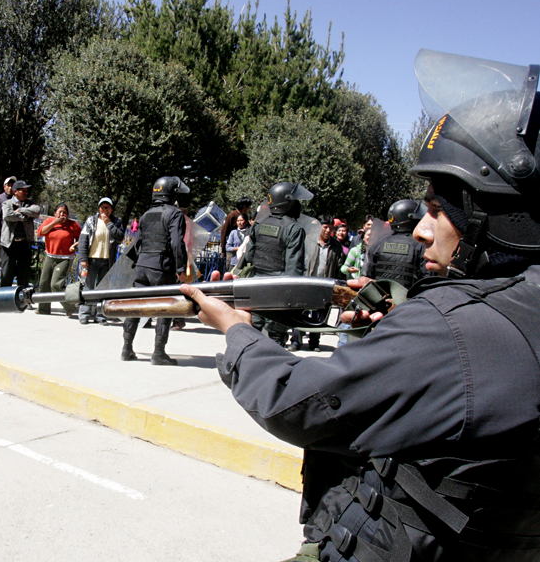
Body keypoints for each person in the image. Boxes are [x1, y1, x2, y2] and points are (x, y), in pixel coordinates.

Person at [181, 49, 540, 561]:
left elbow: (298, 403)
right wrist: (404, 326)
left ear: (493, 216)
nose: (422, 231)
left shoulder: (446, 328)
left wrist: (236, 332)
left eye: (438, 210)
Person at [121, 177, 189, 365]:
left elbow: (138, 243)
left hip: (142, 266)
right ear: (171, 194)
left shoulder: (146, 214)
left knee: (135, 307)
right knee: (165, 308)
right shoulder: (175, 214)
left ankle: (126, 349)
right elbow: (177, 242)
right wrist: (181, 268)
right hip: (161, 267)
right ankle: (158, 353)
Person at [243, 182, 310, 346]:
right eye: (295, 201)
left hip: (256, 286)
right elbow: (293, 269)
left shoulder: (258, 224)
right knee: (275, 337)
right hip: (277, 291)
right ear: (287, 203)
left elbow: (249, 256)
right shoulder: (293, 229)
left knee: (251, 334)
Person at [288, 214, 346, 352]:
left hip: (325, 285)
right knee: (301, 313)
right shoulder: (308, 241)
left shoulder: (336, 246)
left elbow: (339, 267)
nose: (328, 230)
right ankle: (296, 341)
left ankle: (315, 342)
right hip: (306, 284)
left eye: (330, 228)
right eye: (325, 227)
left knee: (320, 316)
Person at [77, 197, 125, 325]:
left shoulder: (116, 222)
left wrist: (108, 223)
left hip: (107, 261)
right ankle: (84, 314)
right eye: (103, 207)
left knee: (103, 289)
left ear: (112, 209)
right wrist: (83, 258)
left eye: (108, 207)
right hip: (91, 260)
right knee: (88, 287)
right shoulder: (91, 221)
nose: (105, 210)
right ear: (99, 209)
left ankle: (100, 315)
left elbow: (120, 237)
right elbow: (83, 240)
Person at [362, 199, 428, 289]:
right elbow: (427, 279)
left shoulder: (378, 243)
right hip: (407, 297)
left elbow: (367, 275)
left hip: (379, 295)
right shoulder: (421, 245)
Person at [35, 203, 82, 316]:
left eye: (64, 212)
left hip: (65, 258)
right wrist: (54, 223)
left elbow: (82, 238)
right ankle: (43, 309)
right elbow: (41, 232)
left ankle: (70, 307)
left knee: (56, 285)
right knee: (44, 283)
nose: (62, 214)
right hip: (50, 256)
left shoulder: (73, 225)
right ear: (55, 213)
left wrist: (74, 245)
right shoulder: (49, 221)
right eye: (59, 212)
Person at [0, 180, 40, 288]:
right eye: (23, 190)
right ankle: (4, 296)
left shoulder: (30, 203)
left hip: (24, 243)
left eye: (27, 190)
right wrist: (25, 216)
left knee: (23, 273)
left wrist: (21, 209)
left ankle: (22, 296)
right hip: (9, 244)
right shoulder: (7, 203)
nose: (26, 193)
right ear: (15, 191)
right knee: (6, 272)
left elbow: (36, 211)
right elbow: (7, 215)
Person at [219, 197, 253, 271]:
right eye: (248, 207)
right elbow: (224, 232)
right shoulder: (232, 216)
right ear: (244, 207)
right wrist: (223, 250)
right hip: (232, 251)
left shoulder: (245, 217)